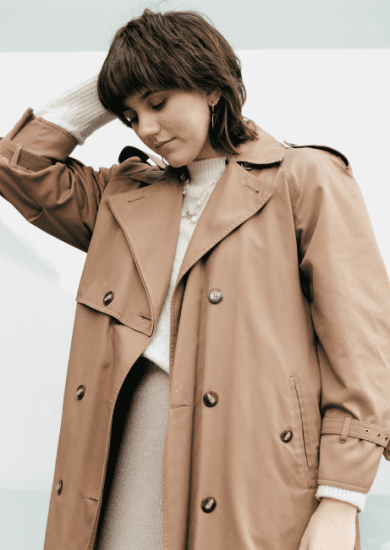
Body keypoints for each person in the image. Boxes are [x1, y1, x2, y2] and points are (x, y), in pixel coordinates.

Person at [1, 8, 390, 550]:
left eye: (158, 102)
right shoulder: (122, 196)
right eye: (131, 117)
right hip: (126, 449)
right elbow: (21, 168)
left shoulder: (305, 179)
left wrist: (341, 499)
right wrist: (118, 79)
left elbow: (363, 352)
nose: (148, 129)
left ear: (210, 87)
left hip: (253, 467)